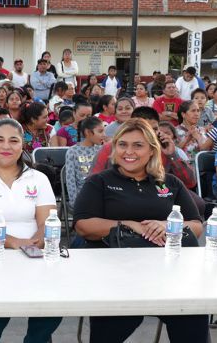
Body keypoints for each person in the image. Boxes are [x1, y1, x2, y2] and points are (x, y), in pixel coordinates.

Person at [73, 118, 206, 343]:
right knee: (112, 327)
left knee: (193, 316)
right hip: (115, 273)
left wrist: (167, 225)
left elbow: (195, 225)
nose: (129, 152)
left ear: (152, 150)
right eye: (123, 144)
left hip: (166, 274)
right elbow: (83, 225)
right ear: (114, 148)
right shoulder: (100, 182)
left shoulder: (169, 183)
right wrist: (128, 224)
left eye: (138, 145)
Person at [0, 118, 62, 342]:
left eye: (13, 140)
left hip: (35, 256)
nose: (6, 146)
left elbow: (47, 222)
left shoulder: (39, 178)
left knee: (53, 308)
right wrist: (15, 242)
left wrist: (34, 244)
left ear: (22, 145)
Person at [63, 117, 104, 211]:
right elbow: (70, 180)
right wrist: (75, 201)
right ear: (88, 132)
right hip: (82, 196)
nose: (103, 135)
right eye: (100, 131)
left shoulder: (101, 149)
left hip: (100, 195)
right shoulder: (73, 151)